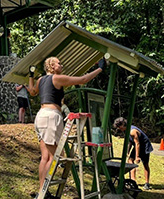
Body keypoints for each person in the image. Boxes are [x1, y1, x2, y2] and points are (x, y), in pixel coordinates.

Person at [28, 56, 107, 198]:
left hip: (41, 116)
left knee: (45, 157)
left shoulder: (40, 80)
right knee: (53, 157)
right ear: (51, 66)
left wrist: (31, 76)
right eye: (59, 63)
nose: (62, 65)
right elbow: (83, 80)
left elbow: (32, 91)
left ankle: (42, 191)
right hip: (51, 117)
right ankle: (43, 192)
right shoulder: (56, 78)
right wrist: (100, 68)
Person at [113, 117, 153, 190]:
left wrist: (137, 156)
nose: (119, 128)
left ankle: (147, 183)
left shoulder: (132, 131)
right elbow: (130, 142)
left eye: (119, 126)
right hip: (137, 145)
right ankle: (133, 180)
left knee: (145, 164)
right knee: (130, 161)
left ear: (123, 125)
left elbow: (137, 144)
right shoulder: (126, 130)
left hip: (144, 146)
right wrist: (127, 152)